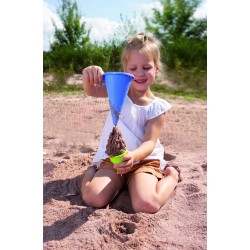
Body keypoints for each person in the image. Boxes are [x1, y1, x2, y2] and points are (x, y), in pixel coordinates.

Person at [81, 32, 180, 213]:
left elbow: (150, 142)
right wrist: (89, 74)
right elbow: (92, 90)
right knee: (93, 198)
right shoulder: (117, 91)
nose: (139, 73)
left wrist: (134, 157)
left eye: (146, 67)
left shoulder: (157, 107)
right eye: (133, 68)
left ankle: (171, 178)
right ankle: (91, 171)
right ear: (125, 70)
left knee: (146, 205)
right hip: (114, 159)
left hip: (144, 160)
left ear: (156, 68)